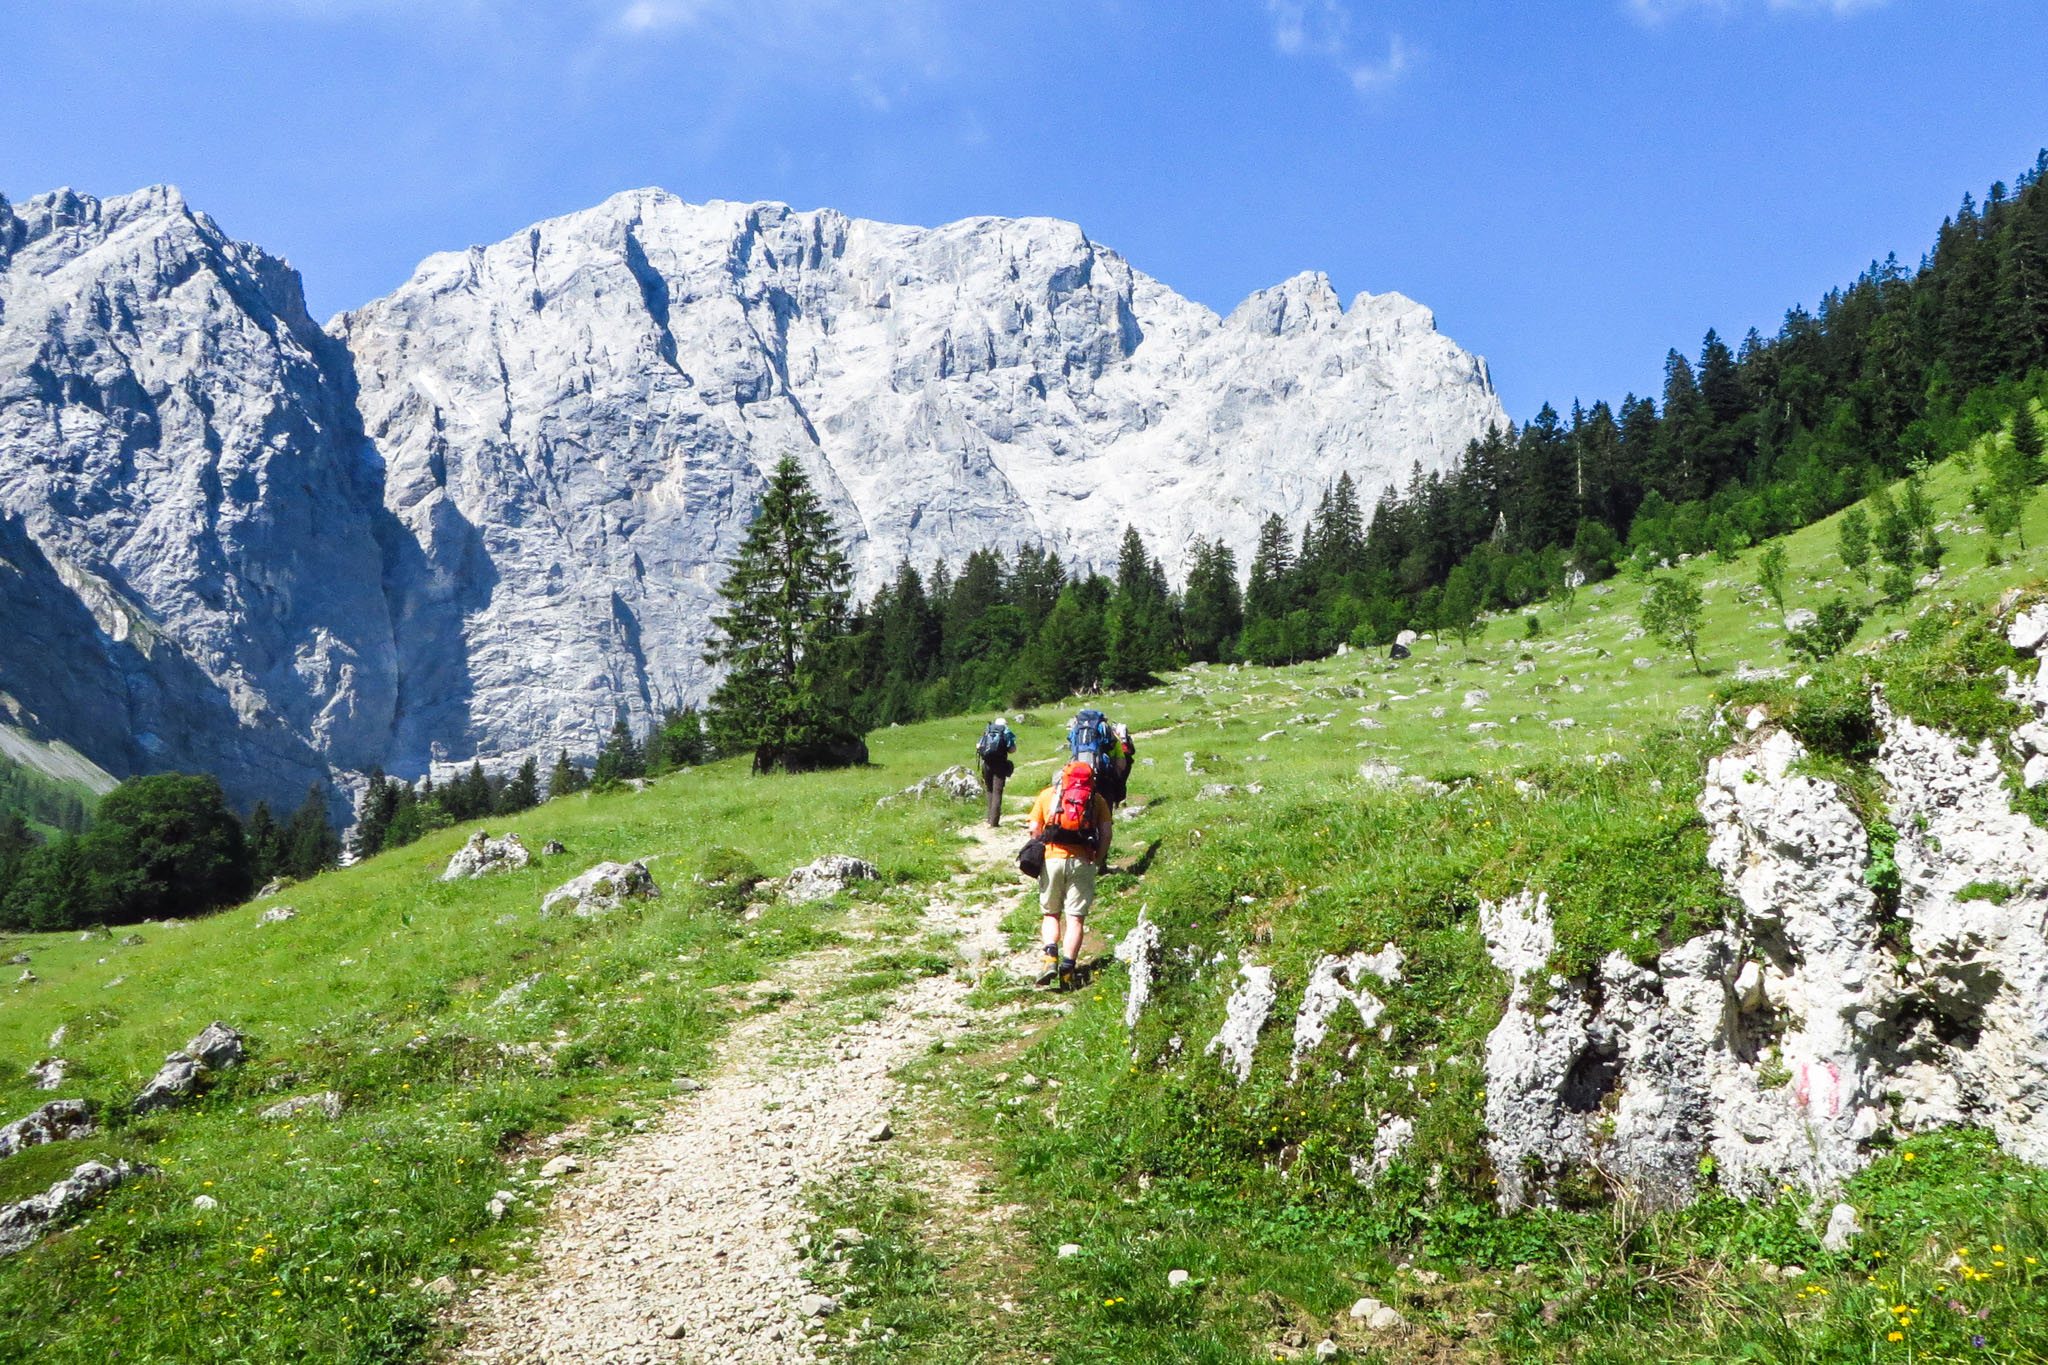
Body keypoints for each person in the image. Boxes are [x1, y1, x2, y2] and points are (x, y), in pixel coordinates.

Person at [1027, 760, 1114, 990]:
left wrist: (1038, 848)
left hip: (1052, 859)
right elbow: (1106, 833)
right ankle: (1068, 969)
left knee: (1051, 914)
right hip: (1082, 861)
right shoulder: (1096, 800)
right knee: (1075, 918)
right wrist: (1097, 858)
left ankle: (1049, 958)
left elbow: (1034, 829)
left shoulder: (1047, 795)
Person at [975, 717, 1017, 827]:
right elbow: (1012, 750)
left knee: (989, 790)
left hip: (987, 764)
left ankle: (989, 818)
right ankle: (994, 822)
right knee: (997, 792)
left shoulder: (988, 731)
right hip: (1000, 765)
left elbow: (978, 746)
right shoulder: (1005, 732)